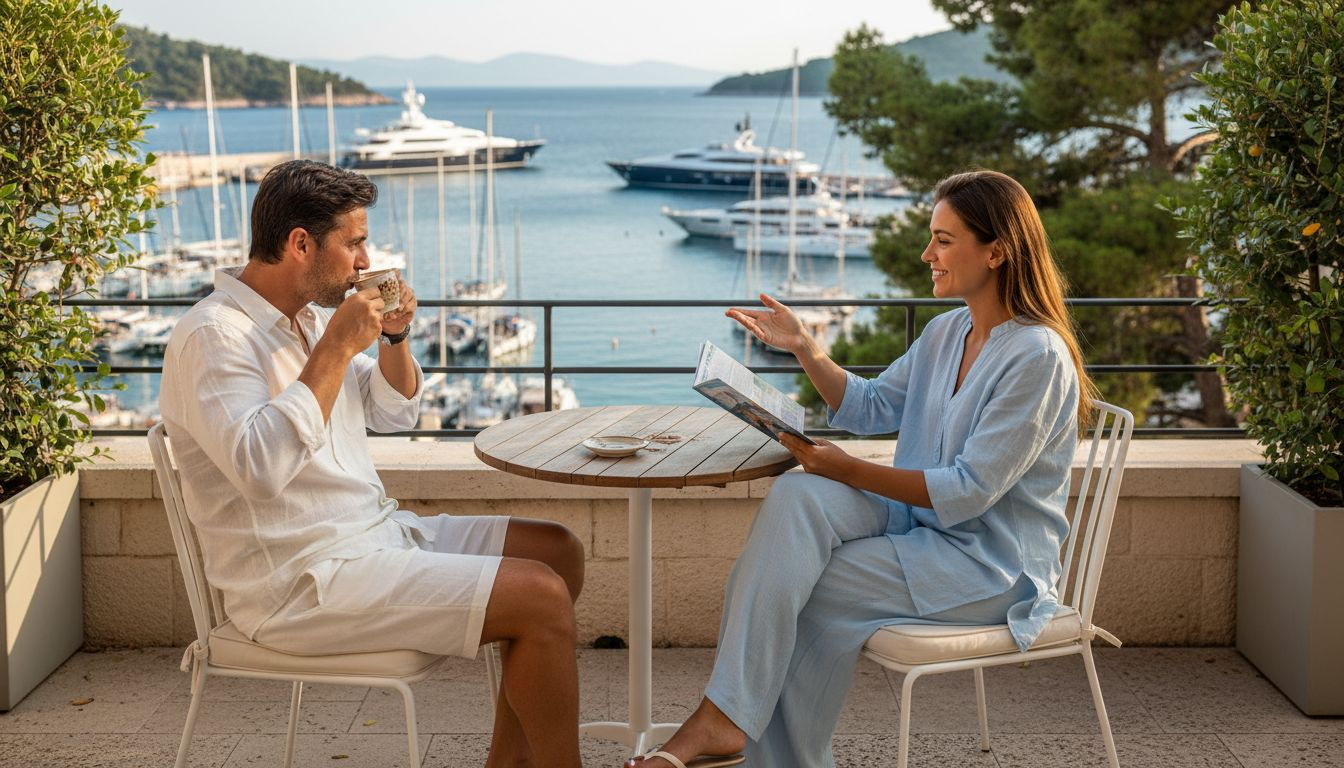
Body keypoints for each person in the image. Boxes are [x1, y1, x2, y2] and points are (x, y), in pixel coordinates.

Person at [628, 169, 1098, 768]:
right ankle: (726, 723)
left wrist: (846, 469)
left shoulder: (1037, 356)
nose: (927, 253)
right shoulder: (947, 331)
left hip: (990, 567)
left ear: (998, 251)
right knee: (799, 498)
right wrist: (805, 347)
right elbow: (868, 405)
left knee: (808, 585)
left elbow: (969, 490)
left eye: (944, 240)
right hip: (921, 528)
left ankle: (740, 734)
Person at [160, 160, 585, 768]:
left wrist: (392, 337)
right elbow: (257, 467)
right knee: (539, 596)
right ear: (300, 244)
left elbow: (393, 412)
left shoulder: (303, 319)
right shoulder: (215, 336)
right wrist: (336, 346)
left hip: (374, 539)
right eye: (355, 243)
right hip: (300, 584)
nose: (367, 260)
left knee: (558, 552)